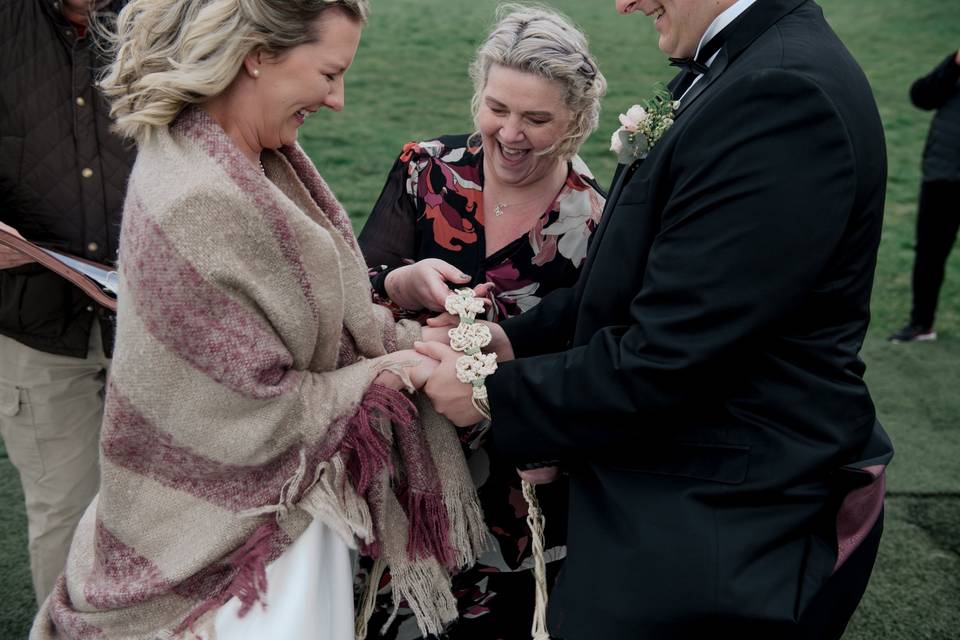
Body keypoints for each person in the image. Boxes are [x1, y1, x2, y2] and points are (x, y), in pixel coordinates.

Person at [416, 0, 895, 638]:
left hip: (719, 524)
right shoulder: (733, 67)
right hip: (672, 495)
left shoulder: (782, 94)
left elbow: (676, 353)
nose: (625, 3)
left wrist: (488, 392)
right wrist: (512, 338)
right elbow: (644, 281)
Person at [31, 1, 487, 638]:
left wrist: (403, 337)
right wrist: (398, 369)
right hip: (237, 552)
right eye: (329, 73)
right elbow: (246, 417)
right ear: (258, 55)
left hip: (279, 517)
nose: (338, 100)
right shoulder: (199, 198)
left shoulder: (249, 156)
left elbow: (324, 323)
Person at [357, 6, 606, 638]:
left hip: (519, 482)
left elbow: (593, 356)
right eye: (498, 108)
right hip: (405, 467)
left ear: (576, 119)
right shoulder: (426, 170)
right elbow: (348, 302)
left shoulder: (596, 221)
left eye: (537, 118)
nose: (511, 133)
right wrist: (398, 281)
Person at [0, 0, 135, 605]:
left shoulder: (173, 13)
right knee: (65, 516)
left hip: (161, 322)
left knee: (175, 511)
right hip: (32, 325)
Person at [888, 48, 960, 343]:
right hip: (942, 174)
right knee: (929, 252)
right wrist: (953, 65)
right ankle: (921, 324)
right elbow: (921, 97)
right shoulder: (955, 67)